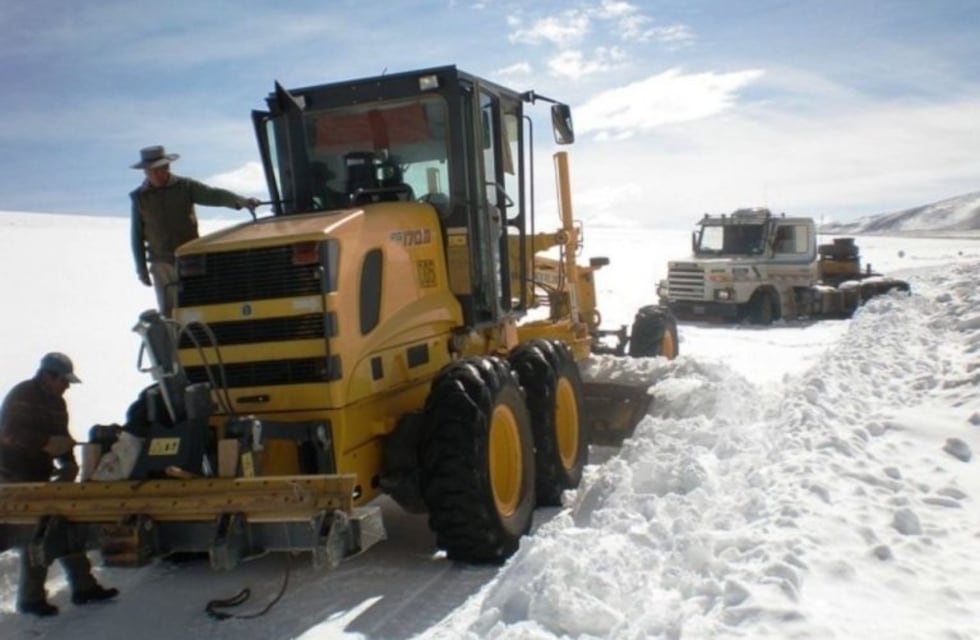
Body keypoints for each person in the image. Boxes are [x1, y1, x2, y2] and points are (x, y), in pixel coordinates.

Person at [0, 353, 119, 617]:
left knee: (66, 523)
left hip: (41, 476)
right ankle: (30, 599)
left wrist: (68, 462)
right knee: (38, 533)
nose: (66, 386)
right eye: (63, 381)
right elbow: (8, 434)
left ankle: (84, 587)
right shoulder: (23, 395)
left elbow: (62, 436)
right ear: (48, 376)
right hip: (13, 475)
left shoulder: (58, 403)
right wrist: (44, 443)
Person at [130, 145, 262, 317]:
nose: (155, 175)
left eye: (158, 170)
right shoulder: (140, 197)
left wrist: (240, 201)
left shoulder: (185, 186)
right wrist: (141, 269)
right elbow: (136, 235)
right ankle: (177, 343)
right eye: (150, 171)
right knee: (169, 311)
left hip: (190, 258)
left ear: (167, 167)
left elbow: (214, 195)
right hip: (161, 263)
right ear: (145, 172)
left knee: (197, 305)